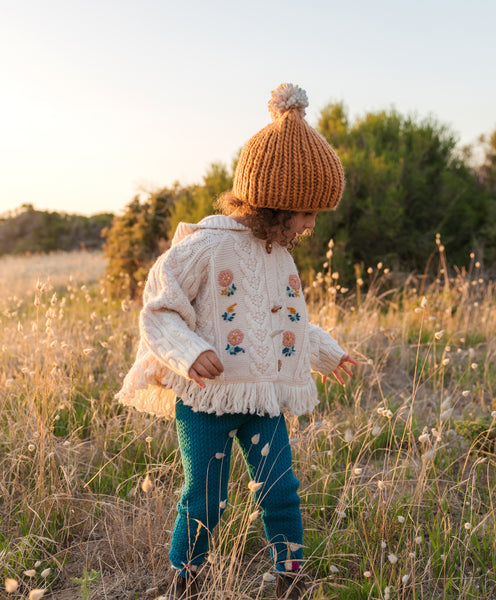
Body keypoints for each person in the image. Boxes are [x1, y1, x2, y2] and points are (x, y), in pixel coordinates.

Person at [116, 83, 356, 600]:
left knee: (281, 491)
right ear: (276, 203)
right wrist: (189, 352)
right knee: (205, 498)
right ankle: (186, 578)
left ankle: (290, 574)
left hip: (262, 398)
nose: (312, 225)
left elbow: (286, 323)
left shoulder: (278, 255)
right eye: (306, 212)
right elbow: (159, 307)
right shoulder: (206, 246)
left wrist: (327, 352)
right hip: (207, 398)